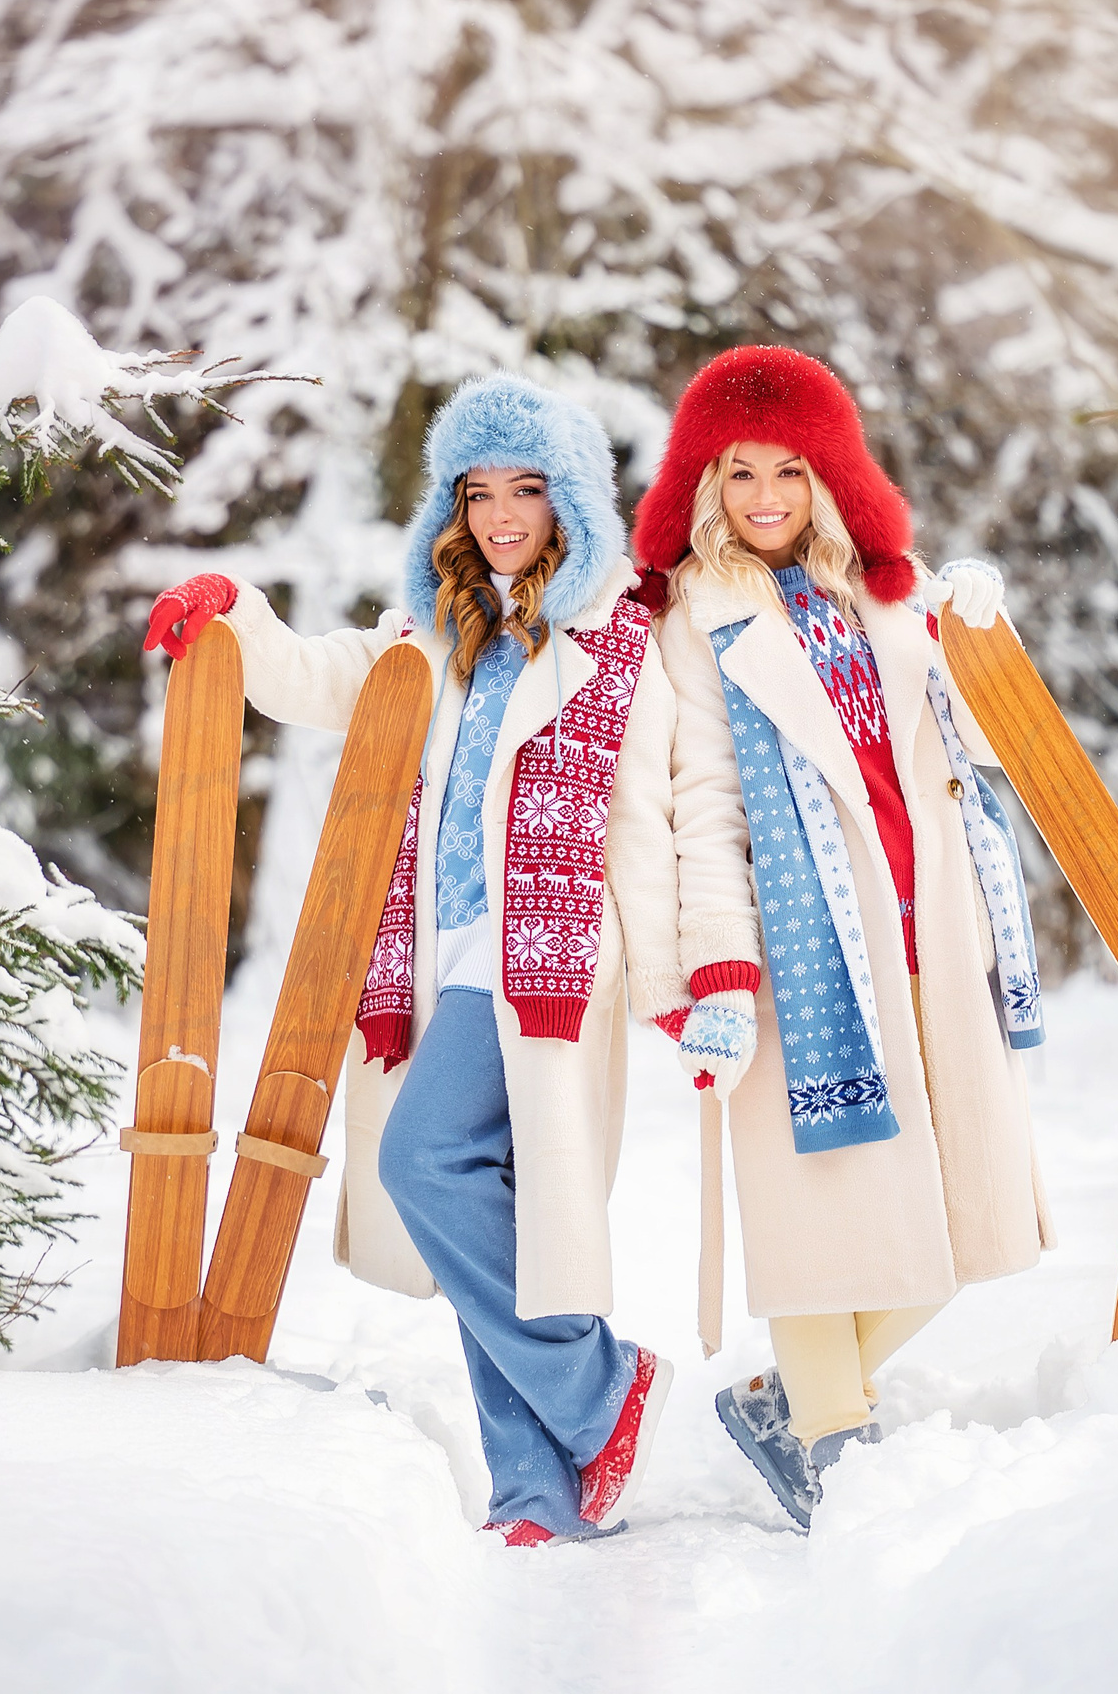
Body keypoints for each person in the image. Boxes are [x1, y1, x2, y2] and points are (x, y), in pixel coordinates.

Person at [143, 375, 687, 1546]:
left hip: (541, 953)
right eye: (478, 491)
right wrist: (229, 605)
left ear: (575, 500)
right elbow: (305, 676)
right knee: (488, 1213)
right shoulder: (429, 633)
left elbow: (642, 816)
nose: (501, 515)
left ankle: (602, 1386)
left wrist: (677, 980)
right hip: (443, 957)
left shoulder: (622, 644)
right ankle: (536, 1489)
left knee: (425, 1162)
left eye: (528, 489)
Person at [635, 346, 1055, 1531]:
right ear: (702, 484)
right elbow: (704, 806)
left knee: (975, 1210)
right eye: (738, 471)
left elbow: (978, 744)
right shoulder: (692, 624)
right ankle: (832, 1444)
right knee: (823, 1216)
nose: (764, 495)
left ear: (830, 476)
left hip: (934, 928)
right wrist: (717, 965)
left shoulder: (887, 589)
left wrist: (978, 626)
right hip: (800, 952)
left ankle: (793, 1407)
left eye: (789, 468)